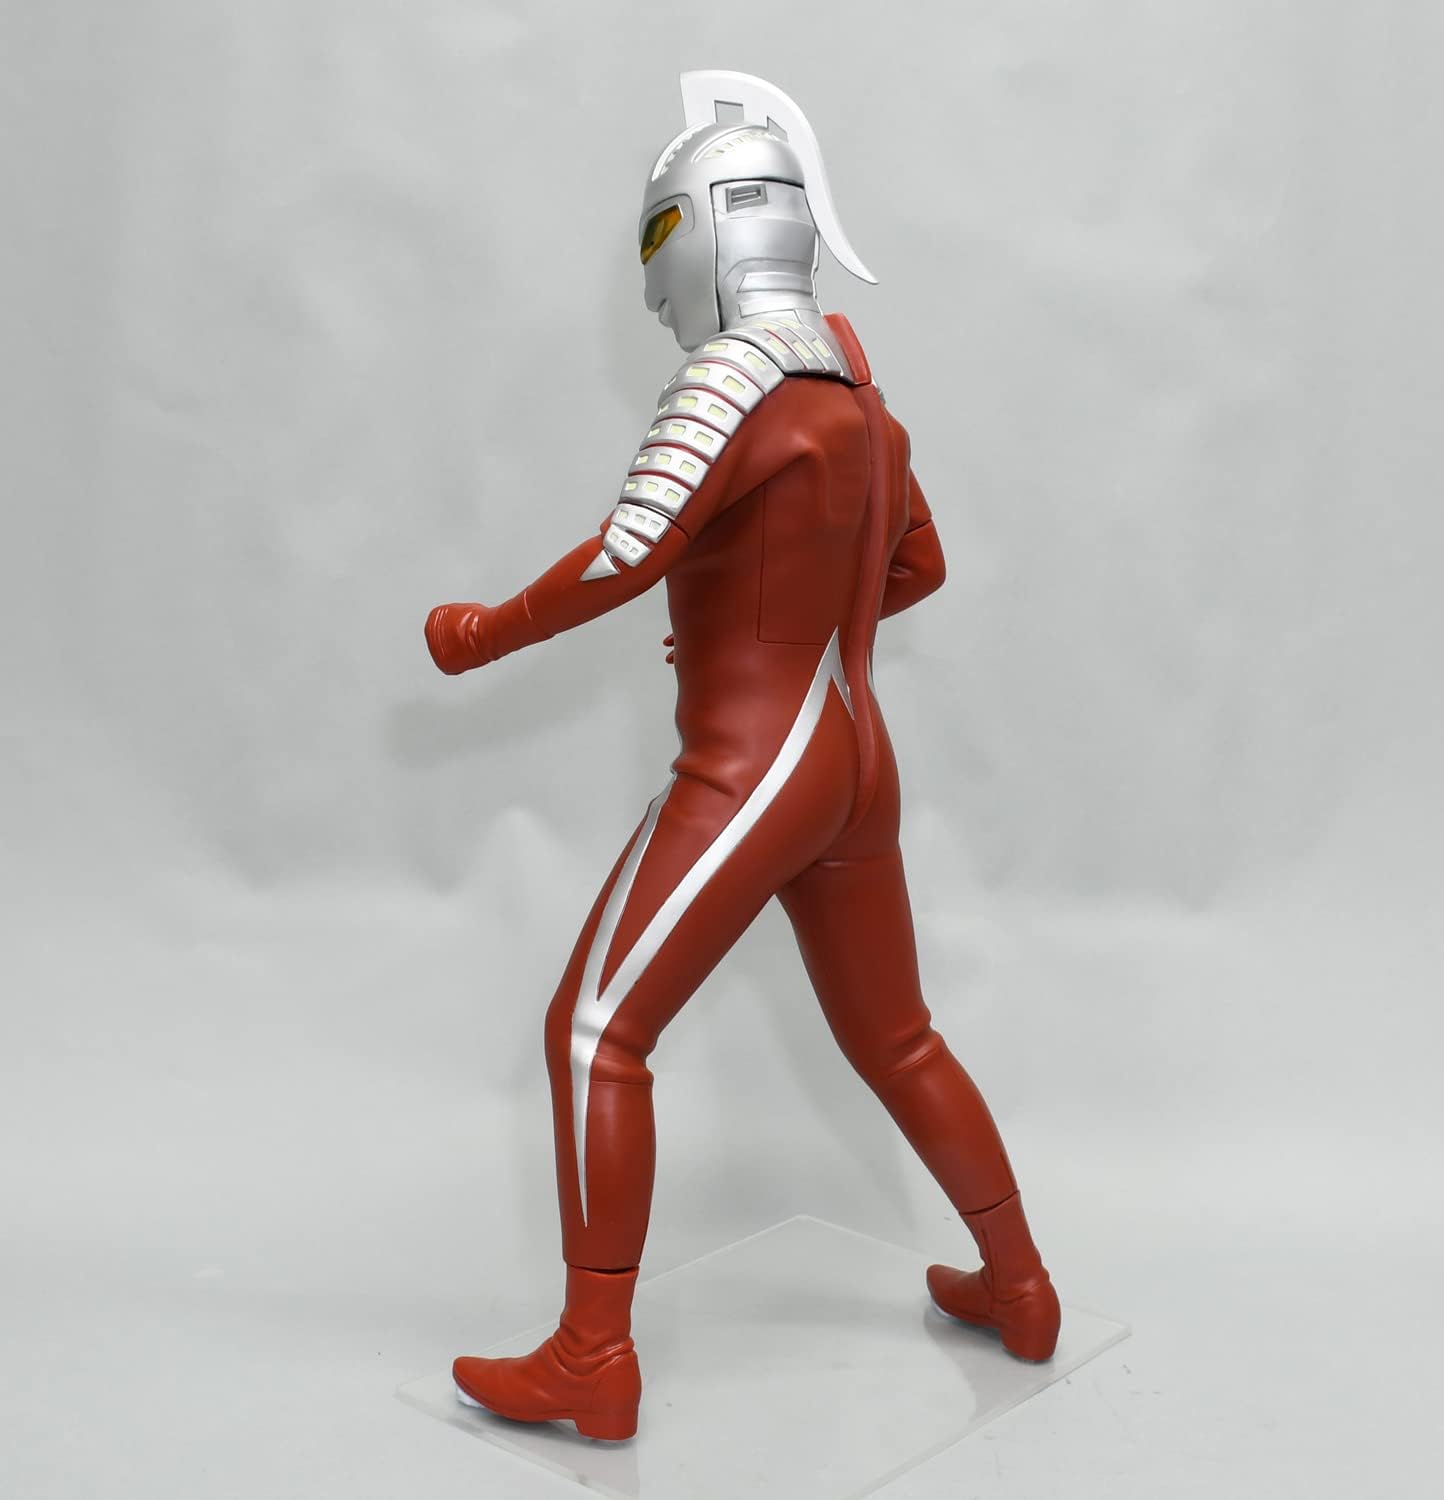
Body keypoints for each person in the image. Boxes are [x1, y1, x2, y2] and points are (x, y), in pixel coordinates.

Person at [424, 71, 1059, 1442]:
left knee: (595, 1031)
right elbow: (919, 567)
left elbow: (623, 553)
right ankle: (1020, 1288)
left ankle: (592, 1357)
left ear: (704, 231)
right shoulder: (865, 408)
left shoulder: (732, 383)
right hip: (855, 757)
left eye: (661, 243)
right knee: (898, 1036)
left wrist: (479, 635)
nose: (655, 284)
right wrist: (777, 608)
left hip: (759, 762)